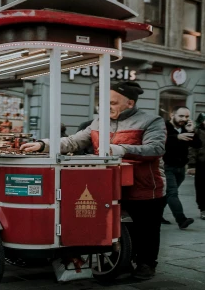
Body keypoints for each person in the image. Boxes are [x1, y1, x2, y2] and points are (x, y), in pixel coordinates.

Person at [22, 80, 166, 281]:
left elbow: (156, 149)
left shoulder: (151, 121)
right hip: (106, 184)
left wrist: (121, 150)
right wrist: (43, 145)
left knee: (146, 229)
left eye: (113, 103)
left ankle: (147, 263)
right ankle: (120, 259)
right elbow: (74, 141)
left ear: (130, 103)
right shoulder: (99, 121)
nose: (106, 106)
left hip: (143, 186)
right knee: (111, 226)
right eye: (105, 101)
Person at [162, 106, 195, 229]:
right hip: (167, 166)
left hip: (180, 168)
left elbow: (197, 144)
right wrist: (176, 137)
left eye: (186, 116)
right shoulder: (163, 126)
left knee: (168, 194)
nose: (184, 119)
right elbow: (160, 141)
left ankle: (158, 215)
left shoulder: (184, 128)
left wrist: (191, 131)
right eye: (181, 116)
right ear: (172, 115)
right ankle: (181, 220)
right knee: (172, 192)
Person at [187, 113, 205, 220]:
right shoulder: (197, 131)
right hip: (201, 163)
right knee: (202, 187)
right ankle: (203, 209)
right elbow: (192, 149)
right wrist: (192, 165)